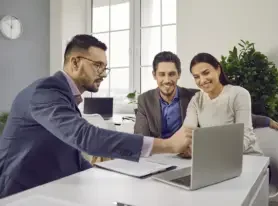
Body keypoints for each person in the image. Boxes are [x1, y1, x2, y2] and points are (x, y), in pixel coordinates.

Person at [0, 35, 192, 198]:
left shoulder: (64, 96)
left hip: (51, 187)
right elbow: (85, 137)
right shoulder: (46, 91)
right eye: (98, 66)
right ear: (75, 62)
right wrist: (169, 145)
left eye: (104, 67)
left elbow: (69, 151)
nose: (103, 74)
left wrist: (100, 175)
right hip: (20, 193)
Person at [134, 51, 278, 139]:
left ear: (179, 74)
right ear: (155, 75)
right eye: (162, 74)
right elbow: (140, 138)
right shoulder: (144, 100)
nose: (167, 80)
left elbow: (227, 115)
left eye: (172, 74)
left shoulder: (194, 97)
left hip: (189, 158)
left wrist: (265, 120)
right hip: (158, 157)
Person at [183, 52, 263, 155]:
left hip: (248, 158)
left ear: (218, 69)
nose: (202, 80)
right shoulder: (196, 100)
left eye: (206, 73)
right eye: (196, 77)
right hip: (215, 160)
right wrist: (186, 145)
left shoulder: (238, 94)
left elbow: (245, 138)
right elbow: (188, 133)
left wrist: (207, 149)